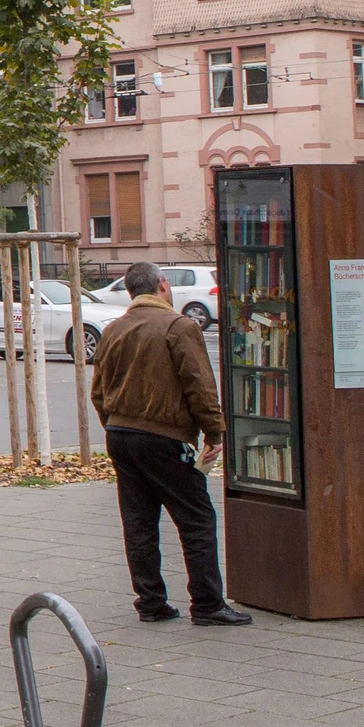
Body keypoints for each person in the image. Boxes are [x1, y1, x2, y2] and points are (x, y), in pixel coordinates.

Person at [88, 261, 252, 626]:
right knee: (196, 518)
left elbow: (98, 391)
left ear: (131, 290)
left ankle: (150, 602)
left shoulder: (114, 330)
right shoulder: (178, 327)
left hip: (120, 435)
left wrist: (115, 425)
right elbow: (199, 384)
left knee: (139, 521)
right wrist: (214, 432)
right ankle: (208, 604)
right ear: (163, 284)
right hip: (163, 437)